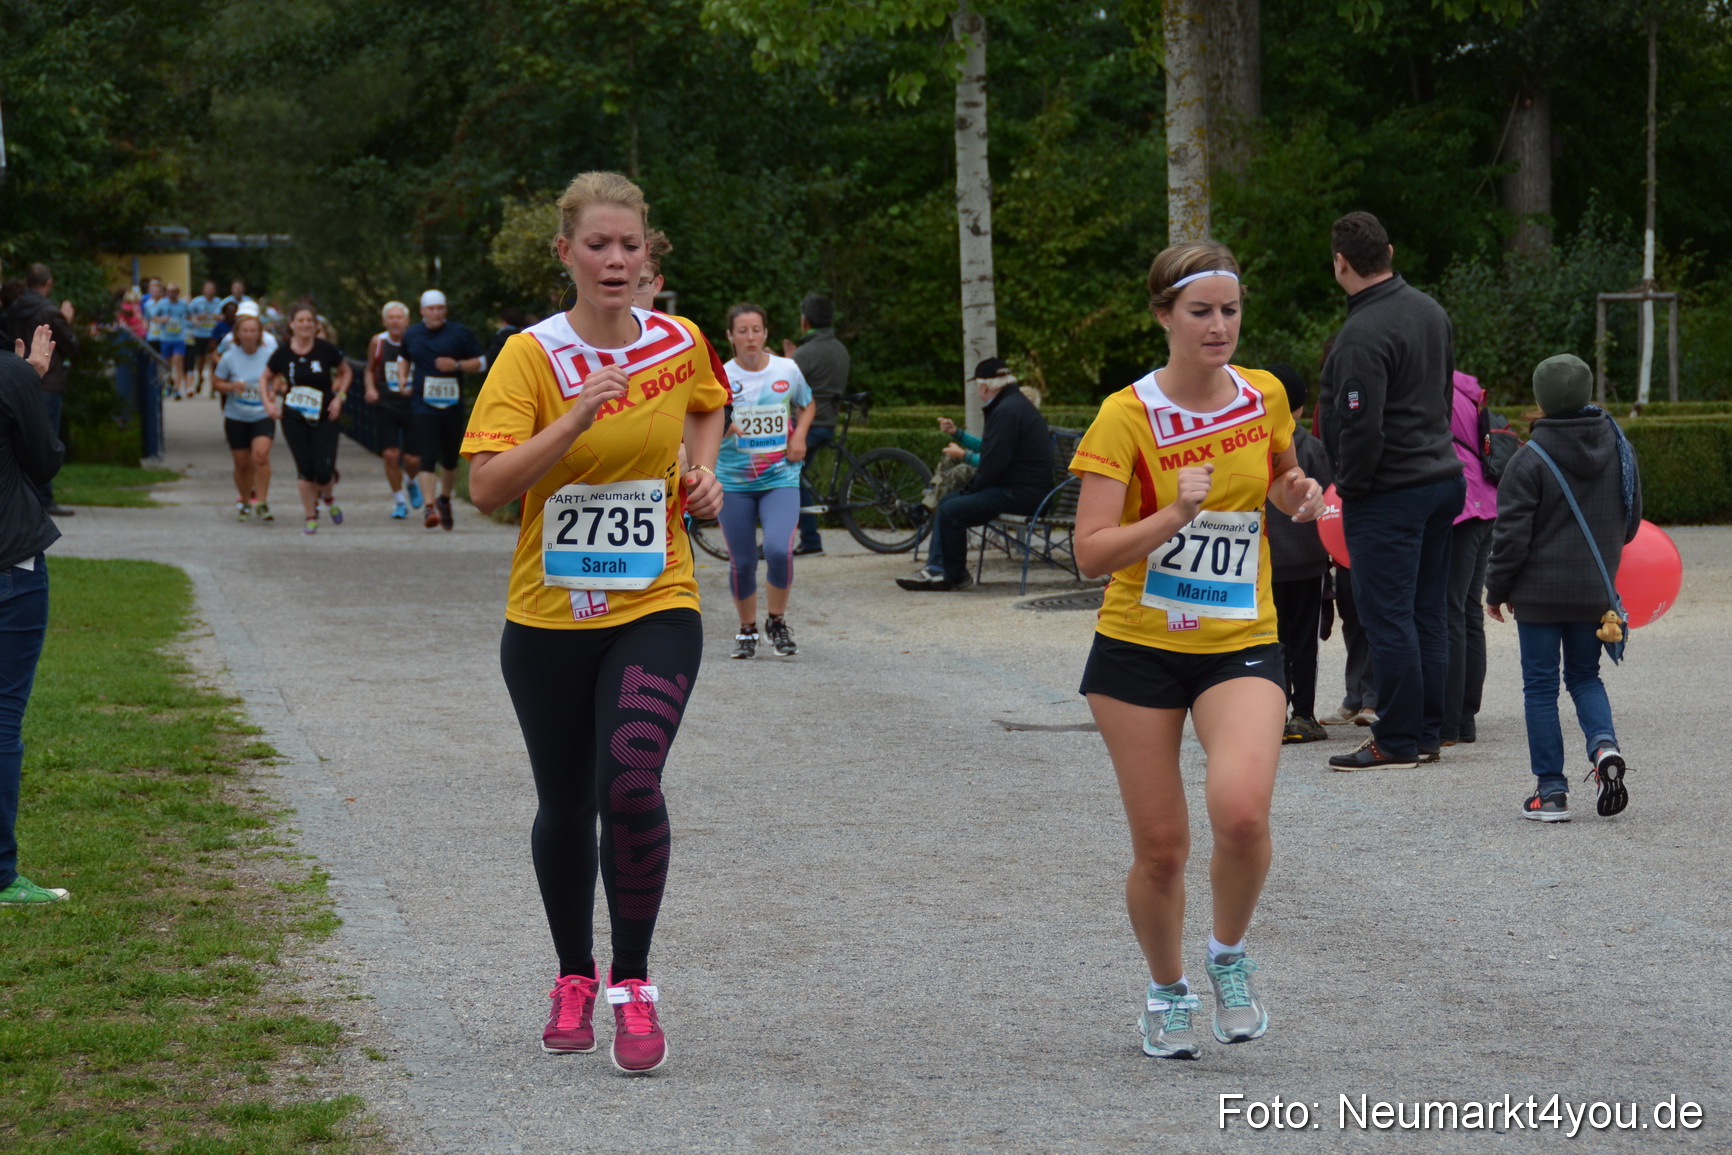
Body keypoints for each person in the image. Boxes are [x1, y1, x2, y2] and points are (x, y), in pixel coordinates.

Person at [461, 171, 727, 1075]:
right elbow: (487, 487)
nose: (616, 260)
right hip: (547, 615)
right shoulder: (530, 355)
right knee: (567, 802)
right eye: (598, 245)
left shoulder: (678, 340)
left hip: (656, 601)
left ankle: (633, 983)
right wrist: (574, 419)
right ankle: (573, 973)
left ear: (649, 253)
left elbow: (708, 402)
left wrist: (700, 473)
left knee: (631, 779)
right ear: (565, 253)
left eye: (630, 245)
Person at [1070, 241, 1325, 1061]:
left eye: (1231, 310)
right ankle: (1167, 989)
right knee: (1162, 847)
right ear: (1163, 315)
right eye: (1201, 311)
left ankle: (1228, 955)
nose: (1220, 326)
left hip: (1239, 639)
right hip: (1138, 648)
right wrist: (1172, 516)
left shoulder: (1264, 394)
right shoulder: (1125, 416)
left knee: (1242, 812)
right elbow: (1090, 552)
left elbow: (1280, 474)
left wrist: (1296, 492)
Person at [1316, 211, 1464, 772]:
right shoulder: (1430, 310)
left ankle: (1397, 739)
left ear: (1340, 263)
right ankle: (1427, 731)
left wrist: (1351, 487)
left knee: (1387, 617)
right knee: (1427, 612)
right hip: (1441, 477)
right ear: (1390, 252)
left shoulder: (1362, 332)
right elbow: (1444, 396)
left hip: (1391, 490)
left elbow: (1361, 427)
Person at [1485, 354, 1640, 823]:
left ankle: (1551, 792)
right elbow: (1631, 523)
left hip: (1538, 597)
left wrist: (1496, 590)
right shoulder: (1620, 449)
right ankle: (1604, 747)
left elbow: (1511, 538)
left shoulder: (1528, 458)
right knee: (1585, 677)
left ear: (1541, 399)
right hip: (1594, 593)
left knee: (1540, 687)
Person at [0, 323, 69, 906]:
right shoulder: (12, 373)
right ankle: (1, 875)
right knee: (2, 718)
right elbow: (44, 462)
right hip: (10, 562)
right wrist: (31, 382)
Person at [896, 357, 1052, 592]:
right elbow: (994, 455)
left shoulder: (1007, 410)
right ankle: (940, 569)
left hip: (1023, 495)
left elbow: (994, 464)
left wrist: (971, 490)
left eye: (977, 387)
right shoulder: (1012, 405)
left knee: (951, 509)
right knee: (949, 502)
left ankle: (952, 576)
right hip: (1025, 490)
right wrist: (969, 490)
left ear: (985, 387)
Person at [715, 303, 814, 659]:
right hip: (734, 482)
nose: (750, 337)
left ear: (766, 333)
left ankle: (777, 622)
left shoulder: (787, 369)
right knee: (742, 561)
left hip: (779, 477)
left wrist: (799, 436)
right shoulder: (720, 377)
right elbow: (700, 417)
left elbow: (807, 403)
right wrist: (725, 424)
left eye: (756, 330)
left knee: (777, 550)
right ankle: (747, 630)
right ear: (730, 336)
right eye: (742, 331)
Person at [1264, 363, 1333, 744]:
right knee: (1304, 640)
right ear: (1302, 406)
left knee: (1270, 640)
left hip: (1266, 561)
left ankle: (1270, 713)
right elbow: (1330, 499)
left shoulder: (1254, 443)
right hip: (1308, 560)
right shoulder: (1313, 447)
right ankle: (1303, 715)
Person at [1443, 370, 1498, 745]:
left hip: (1460, 506)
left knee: (1449, 610)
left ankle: (1448, 720)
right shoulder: (1465, 389)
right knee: (1467, 610)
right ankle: (1465, 718)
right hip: (1487, 502)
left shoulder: (1432, 388)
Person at [262, 304, 349, 535]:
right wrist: (268, 403)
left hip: (325, 416)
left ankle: (328, 498)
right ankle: (310, 517)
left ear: (315, 324)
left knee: (323, 471)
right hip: (294, 417)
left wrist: (339, 398)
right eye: (300, 320)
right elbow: (265, 377)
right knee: (305, 470)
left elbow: (346, 371)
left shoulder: (325, 349)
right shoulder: (283, 352)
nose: (305, 324)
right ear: (292, 324)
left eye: (309, 320)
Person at [403, 289, 484, 531]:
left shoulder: (459, 333)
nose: (436, 313)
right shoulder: (412, 334)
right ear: (422, 311)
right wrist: (402, 379)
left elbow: (481, 363)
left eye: (440, 308)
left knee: (449, 458)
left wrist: (456, 364)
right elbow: (403, 357)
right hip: (422, 403)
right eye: (431, 309)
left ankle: (444, 500)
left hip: (451, 404)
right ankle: (429, 507)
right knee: (427, 452)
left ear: (445, 310)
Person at [4, 265, 80, 516]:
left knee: (16, 440)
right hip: (46, 381)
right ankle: (43, 499)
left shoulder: (13, 307)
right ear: (48, 283)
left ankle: (25, 497)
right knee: (43, 440)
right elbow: (70, 345)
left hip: (13, 378)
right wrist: (66, 320)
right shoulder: (49, 311)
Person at [786, 294, 848, 556]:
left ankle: (810, 541)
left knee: (787, 474)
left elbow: (784, 386)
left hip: (810, 424)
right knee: (797, 475)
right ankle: (807, 538)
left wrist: (787, 359)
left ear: (805, 321)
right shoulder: (839, 348)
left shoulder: (806, 352)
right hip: (828, 421)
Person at [213, 313, 277, 523]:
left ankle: (262, 501)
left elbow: (279, 378)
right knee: (242, 463)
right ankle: (245, 500)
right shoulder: (229, 357)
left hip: (262, 414)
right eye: (245, 331)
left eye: (253, 331)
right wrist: (232, 386)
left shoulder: (269, 355)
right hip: (236, 416)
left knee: (261, 455)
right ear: (238, 334)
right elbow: (216, 383)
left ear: (259, 334)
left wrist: (273, 390)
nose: (249, 335)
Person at [362, 301, 423, 518]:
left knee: (413, 459)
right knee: (390, 454)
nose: (395, 322)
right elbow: (370, 369)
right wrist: (370, 389)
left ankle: (411, 481)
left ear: (407, 321)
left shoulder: (416, 340)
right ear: (384, 321)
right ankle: (399, 502)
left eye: (399, 318)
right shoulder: (378, 342)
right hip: (386, 403)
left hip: (412, 405)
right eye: (391, 317)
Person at [188, 280, 223, 396]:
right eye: (207, 289)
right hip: (200, 334)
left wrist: (218, 317)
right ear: (203, 290)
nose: (210, 291)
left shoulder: (219, 302)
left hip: (213, 335)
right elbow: (188, 315)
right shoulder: (196, 302)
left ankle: (213, 386)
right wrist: (198, 317)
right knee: (201, 359)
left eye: (212, 289)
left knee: (213, 360)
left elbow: (223, 316)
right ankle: (200, 377)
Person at [159, 282, 192, 399]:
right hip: (165, 338)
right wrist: (161, 319)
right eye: (168, 291)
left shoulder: (183, 305)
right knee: (166, 365)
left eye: (173, 292)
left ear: (178, 292)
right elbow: (153, 317)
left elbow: (190, 316)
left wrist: (192, 321)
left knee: (177, 364)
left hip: (179, 338)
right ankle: (169, 385)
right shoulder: (161, 304)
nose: (171, 294)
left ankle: (177, 390)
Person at [633, 229, 672, 311]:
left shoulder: (677, 322)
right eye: (615, 284)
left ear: (657, 285)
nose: (630, 297)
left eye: (640, 284)